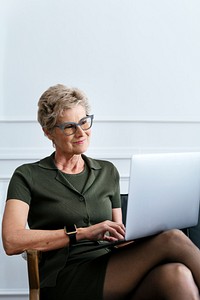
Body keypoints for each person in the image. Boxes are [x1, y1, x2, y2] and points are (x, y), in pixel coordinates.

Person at [2, 84, 200, 300]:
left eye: (84, 122)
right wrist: (83, 233)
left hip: (112, 268)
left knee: (177, 275)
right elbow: (12, 241)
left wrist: (149, 229)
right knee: (172, 239)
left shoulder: (107, 171)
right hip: (66, 277)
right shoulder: (27, 175)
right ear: (48, 132)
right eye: (69, 126)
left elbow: (120, 237)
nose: (81, 132)